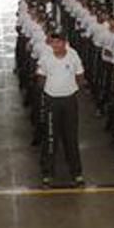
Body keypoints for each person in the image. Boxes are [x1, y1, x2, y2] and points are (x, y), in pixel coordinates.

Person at [36, 29, 85, 188]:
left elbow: (80, 76)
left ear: (64, 43)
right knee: (50, 138)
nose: (55, 45)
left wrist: (71, 89)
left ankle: (76, 173)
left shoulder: (73, 55)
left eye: (58, 42)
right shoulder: (46, 57)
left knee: (71, 138)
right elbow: (41, 77)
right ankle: (48, 173)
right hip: (52, 102)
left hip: (69, 101)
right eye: (53, 42)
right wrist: (50, 91)